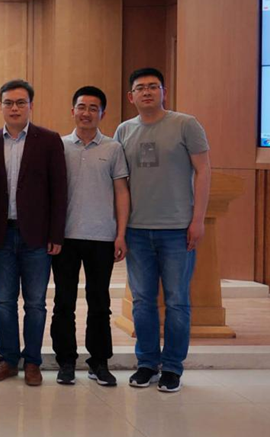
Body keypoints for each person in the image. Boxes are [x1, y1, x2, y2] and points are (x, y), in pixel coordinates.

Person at [115, 68, 211, 393]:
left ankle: (172, 367)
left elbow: (203, 170)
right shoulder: (124, 130)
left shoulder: (186, 124)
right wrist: (120, 229)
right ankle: (146, 364)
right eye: (140, 88)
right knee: (142, 302)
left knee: (177, 301)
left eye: (153, 87)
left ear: (163, 92)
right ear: (131, 96)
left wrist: (198, 219)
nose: (147, 92)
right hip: (137, 231)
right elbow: (120, 183)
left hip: (177, 230)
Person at [0, 79, 67, 386]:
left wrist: (56, 234)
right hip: (1, 235)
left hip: (37, 237)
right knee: (4, 302)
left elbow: (59, 191)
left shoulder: (49, 140)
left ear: (31, 105)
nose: (15, 108)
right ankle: (8, 360)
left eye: (21, 102)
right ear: (1, 106)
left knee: (35, 303)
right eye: (9, 102)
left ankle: (33, 362)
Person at [52, 87, 129, 387]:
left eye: (93, 108)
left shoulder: (113, 148)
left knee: (100, 302)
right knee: (64, 302)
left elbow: (121, 192)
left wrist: (121, 234)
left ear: (102, 113)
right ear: (72, 111)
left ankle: (99, 361)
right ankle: (66, 361)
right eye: (81, 107)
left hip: (102, 237)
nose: (86, 113)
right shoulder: (58, 146)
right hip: (66, 237)